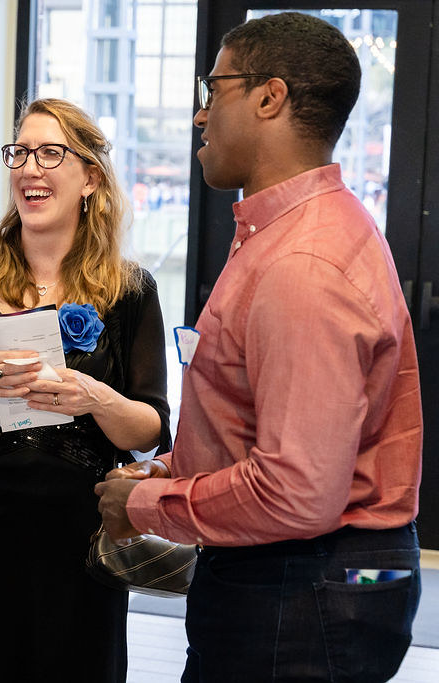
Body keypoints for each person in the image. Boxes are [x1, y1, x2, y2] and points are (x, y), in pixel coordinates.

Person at [95, 12, 422, 682]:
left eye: (214, 91)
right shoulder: (303, 230)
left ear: (269, 97)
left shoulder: (303, 264)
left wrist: (149, 505)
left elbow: (297, 492)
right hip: (314, 574)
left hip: (303, 584)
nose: (200, 115)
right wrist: (179, 474)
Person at [0, 98, 171, 683]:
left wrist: (94, 397)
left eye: (51, 153)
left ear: (90, 179)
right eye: (20, 152)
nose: (30, 168)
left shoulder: (131, 292)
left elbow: (152, 428)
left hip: (80, 533)